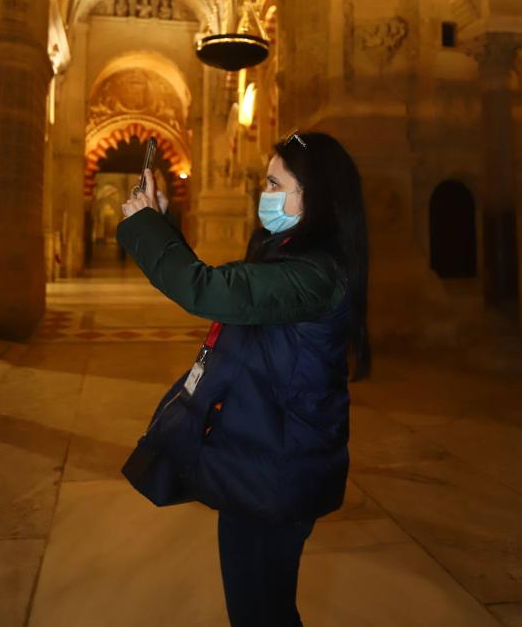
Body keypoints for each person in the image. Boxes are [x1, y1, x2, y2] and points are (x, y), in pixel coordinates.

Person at [117, 131, 371, 627]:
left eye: (276, 183)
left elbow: (207, 291)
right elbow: (231, 292)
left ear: (313, 196)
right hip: (260, 461)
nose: (266, 194)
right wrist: (163, 224)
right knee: (260, 608)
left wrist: (146, 228)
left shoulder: (317, 272)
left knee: (261, 613)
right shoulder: (291, 256)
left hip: (276, 472)